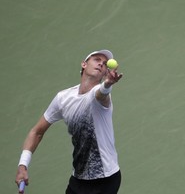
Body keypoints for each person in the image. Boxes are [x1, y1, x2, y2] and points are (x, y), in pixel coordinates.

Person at [15, 49, 123, 194]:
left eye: (104, 64)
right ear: (84, 64)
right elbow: (37, 132)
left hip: (105, 179)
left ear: (105, 74)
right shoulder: (63, 98)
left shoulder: (100, 95)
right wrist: (23, 165)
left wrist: (108, 84)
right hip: (78, 179)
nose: (101, 64)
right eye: (97, 59)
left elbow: (102, 93)